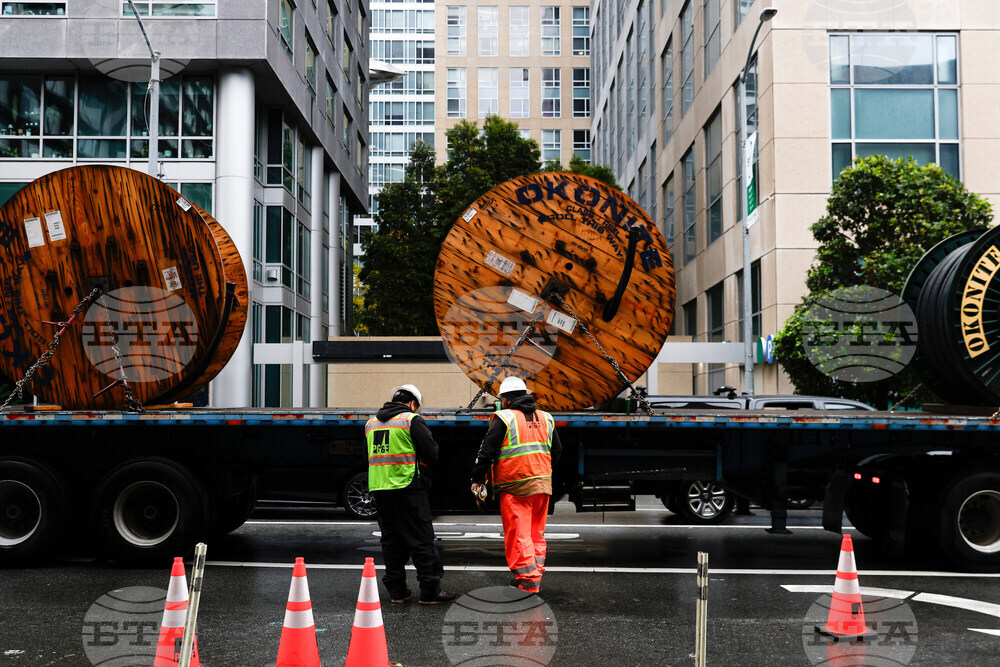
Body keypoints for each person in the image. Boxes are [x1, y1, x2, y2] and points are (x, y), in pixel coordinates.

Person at [365, 384, 456, 605]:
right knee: (422, 541)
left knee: (391, 542)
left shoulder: (371, 423)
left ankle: (398, 592)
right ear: (413, 403)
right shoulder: (410, 420)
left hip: (380, 488)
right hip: (408, 488)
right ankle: (430, 592)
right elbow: (431, 452)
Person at [471, 376, 562, 594]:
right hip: (542, 483)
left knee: (519, 534)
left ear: (506, 399)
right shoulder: (546, 417)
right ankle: (535, 573)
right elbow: (556, 452)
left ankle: (529, 582)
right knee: (535, 533)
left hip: (515, 486)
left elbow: (486, 453)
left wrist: (476, 478)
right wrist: (541, 471)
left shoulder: (504, 417)